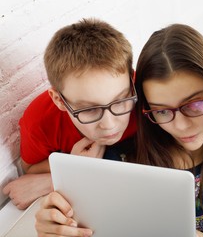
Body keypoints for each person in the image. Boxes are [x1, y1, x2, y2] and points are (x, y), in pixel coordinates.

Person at [34, 24, 203, 237]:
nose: (180, 126)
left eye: (194, 105)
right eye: (161, 111)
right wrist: (58, 231)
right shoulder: (120, 161)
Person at [2, 18, 137, 210]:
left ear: (132, 82)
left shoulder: (148, 94)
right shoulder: (40, 121)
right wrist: (76, 164)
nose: (109, 125)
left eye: (120, 101)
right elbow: (30, 167)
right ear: (59, 100)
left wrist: (69, 174)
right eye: (89, 110)